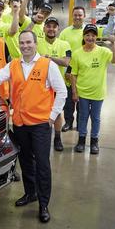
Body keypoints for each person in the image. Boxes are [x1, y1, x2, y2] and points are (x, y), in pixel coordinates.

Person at [0, 30, 67, 223]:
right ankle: (31, 193)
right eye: (22, 43)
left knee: (42, 165)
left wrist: (52, 116)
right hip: (20, 123)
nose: (25, 46)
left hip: (40, 125)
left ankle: (44, 204)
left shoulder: (48, 65)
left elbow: (61, 91)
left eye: (28, 42)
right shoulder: (13, 64)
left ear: (35, 44)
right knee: (26, 162)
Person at [70, 24, 115, 154]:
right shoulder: (77, 53)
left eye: (93, 35)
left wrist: (113, 44)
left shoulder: (103, 52)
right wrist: (74, 92)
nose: (90, 37)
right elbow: (73, 74)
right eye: (87, 35)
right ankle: (81, 141)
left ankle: (94, 142)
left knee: (96, 118)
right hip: (83, 93)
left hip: (98, 93)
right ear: (84, 36)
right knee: (82, 117)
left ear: (96, 37)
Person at [39, 17, 72, 151]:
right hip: (40, 85)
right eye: (48, 26)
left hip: (58, 86)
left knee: (57, 113)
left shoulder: (65, 44)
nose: (51, 29)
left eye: (54, 26)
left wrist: (49, 59)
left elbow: (66, 62)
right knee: (40, 112)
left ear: (58, 29)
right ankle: (41, 137)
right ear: (44, 28)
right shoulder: (37, 42)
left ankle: (57, 138)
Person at [59, 6, 86, 131]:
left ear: (84, 16)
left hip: (84, 69)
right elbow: (60, 50)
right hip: (69, 70)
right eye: (75, 15)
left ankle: (81, 124)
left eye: (80, 15)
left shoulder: (88, 31)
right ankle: (68, 122)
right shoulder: (65, 32)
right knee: (69, 100)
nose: (77, 17)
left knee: (82, 100)